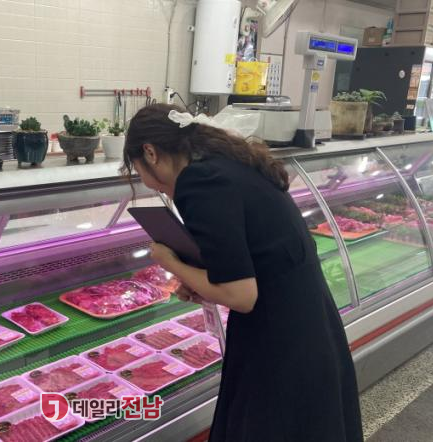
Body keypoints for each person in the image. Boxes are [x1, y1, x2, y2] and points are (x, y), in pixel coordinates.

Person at [122, 104, 363, 442]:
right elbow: (251, 258)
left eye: (138, 171)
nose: (149, 185)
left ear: (151, 152)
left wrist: (170, 262)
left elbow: (241, 296)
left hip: (278, 341)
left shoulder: (198, 181)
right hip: (306, 323)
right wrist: (198, 279)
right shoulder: (228, 163)